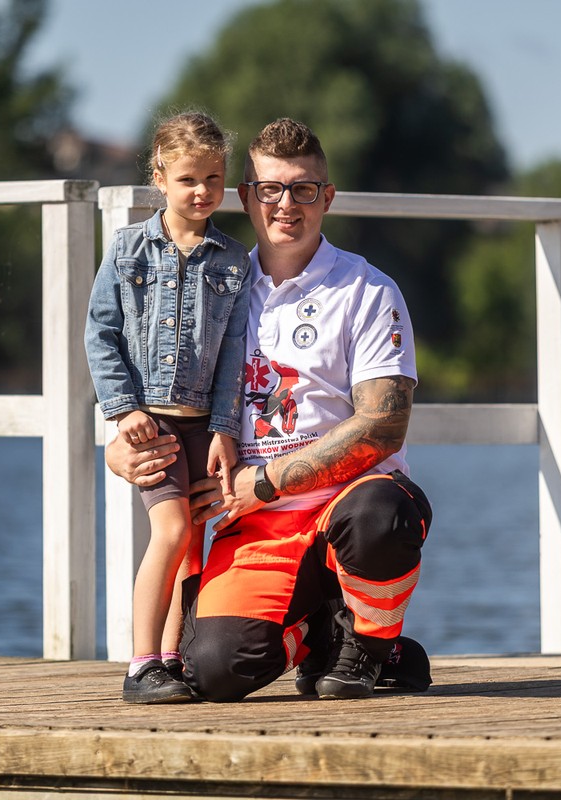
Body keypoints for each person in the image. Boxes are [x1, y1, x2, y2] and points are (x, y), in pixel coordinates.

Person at [105, 118, 433, 702]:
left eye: (304, 189)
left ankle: (369, 648)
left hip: (345, 504)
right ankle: (327, 635)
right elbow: (160, 388)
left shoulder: (367, 290)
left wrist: (266, 482)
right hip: (251, 525)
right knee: (211, 672)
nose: (287, 204)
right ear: (246, 197)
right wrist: (121, 448)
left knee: (384, 514)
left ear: (326, 197)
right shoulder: (214, 282)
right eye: (270, 189)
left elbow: (384, 426)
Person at [85, 111, 251, 704]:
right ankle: (140, 663)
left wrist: (226, 429)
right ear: (159, 177)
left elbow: (234, 354)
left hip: (203, 424)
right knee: (172, 528)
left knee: (194, 541)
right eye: (187, 179)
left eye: (213, 177)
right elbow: (100, 332)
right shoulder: (129, 249)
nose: (201, 191)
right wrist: (122, 408)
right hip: (149, 422)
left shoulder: (234, 261)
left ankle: (175, 662)